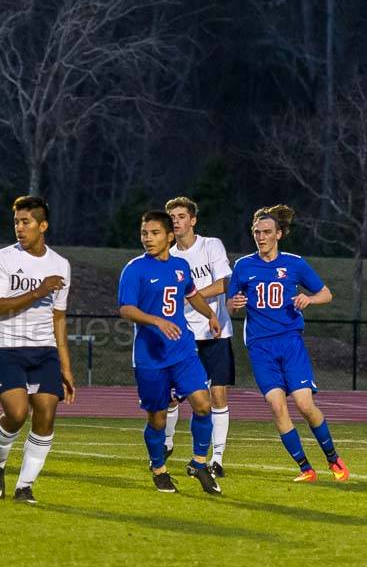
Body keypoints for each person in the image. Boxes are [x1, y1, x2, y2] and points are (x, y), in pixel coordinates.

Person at [227, 205, 349, 482]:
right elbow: (230, 303)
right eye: (257, 232)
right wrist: (232, 303)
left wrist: (310, 299)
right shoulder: (243, 265)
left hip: (290, 342)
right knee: (277, 405)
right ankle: (306, 468)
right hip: (259, 346)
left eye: (267, 232)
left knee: (304, 405)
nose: (261, 237)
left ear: (278, 234)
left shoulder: (294, 264)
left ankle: (333, 459)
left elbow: (326, 294)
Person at [118, 210, 223, 495]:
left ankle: (199, 462)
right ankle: (159, 469)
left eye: (154, 233)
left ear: (169, 235)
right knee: (158, 419)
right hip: (150, 356)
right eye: (144, 233)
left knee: (203, 404)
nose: (148, 239)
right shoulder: (135, 269)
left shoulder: (180, 265)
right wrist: (156, 321)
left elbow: (191, 293)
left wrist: (210, 313)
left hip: (183, 350)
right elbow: (125, 309)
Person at [0, 196, 74, 504]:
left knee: (47, 414)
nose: (19, 229)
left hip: (44, 348)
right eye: (16, 223)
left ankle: (25, 486)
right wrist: (37, 290)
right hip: (7, 345)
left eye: (26, 222)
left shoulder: (60, 265)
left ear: (42, 225)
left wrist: (66, 367)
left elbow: (58, 317)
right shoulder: (3, 258)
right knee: (17, 413)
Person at [163, 196, 235, 476]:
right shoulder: (169, 256)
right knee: (172, 396)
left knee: (218, 394)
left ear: (193, 220)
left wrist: (192, 297)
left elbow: (223, 283)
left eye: (181, 216)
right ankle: (167, 441)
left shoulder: (211, 245)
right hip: (184, 334)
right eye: (172, 218)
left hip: (215, 330)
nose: (177, 222)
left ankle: (217, 458)